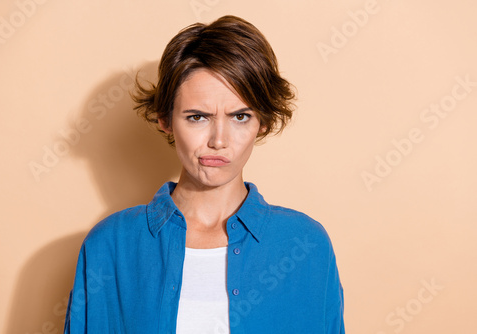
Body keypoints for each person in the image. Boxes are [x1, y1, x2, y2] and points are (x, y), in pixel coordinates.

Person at [63, 15, 345, 333]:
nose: (219, 141)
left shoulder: (305, 245)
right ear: (165, 119)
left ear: (262, 123)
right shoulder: (110, 246)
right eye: (198, 117)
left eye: (240, 116)